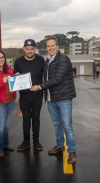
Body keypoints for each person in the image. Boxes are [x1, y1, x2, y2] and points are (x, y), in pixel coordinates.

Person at [30, 36, 77, 164]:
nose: (50, 48)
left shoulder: (63, 59)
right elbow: (44, 77)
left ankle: (72, 151)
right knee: (57, 124)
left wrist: (39, 87)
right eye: (48, 46)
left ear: (57, 46)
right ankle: (60, 145)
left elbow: (57, 79)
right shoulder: (47, 61)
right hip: (51, 99)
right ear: (46, 48)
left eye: (53, 45)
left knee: (67, 126)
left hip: (64, 98)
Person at [14, 39, 45, 151]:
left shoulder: (41, 60)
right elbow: (15, 78)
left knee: (36, 119)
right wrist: (16, 76)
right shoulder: (18, 61)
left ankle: (36, 141)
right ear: (24, 49)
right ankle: (26, 141)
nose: (30, 51)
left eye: (32, 49)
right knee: (26, 119)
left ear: (35, 49)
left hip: (37, 95)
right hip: (24, 97)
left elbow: (44, 76)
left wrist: (44, 89)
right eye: (27, 49)